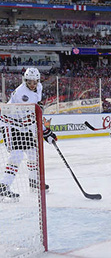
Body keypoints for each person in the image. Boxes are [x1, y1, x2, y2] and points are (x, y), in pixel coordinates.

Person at [0, 68, 57, 200]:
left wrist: (45, 131)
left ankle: (33, 182)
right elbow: (31, 118)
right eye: (29, 82)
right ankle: (3, 186)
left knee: (33, 153)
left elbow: (32, 115)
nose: (32, 85)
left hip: (24, 125)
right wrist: (44, 131)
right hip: (11, 124)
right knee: (16, 156)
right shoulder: (23, 94)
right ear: (25, 81)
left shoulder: (39, 87)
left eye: (34, 82)